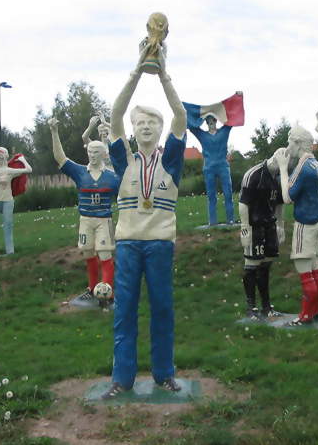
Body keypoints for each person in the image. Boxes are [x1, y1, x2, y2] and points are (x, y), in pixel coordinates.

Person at [103, 42, 187, 398]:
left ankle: (163, 374)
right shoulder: (124, 160)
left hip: (159, 243)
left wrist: (164, 74)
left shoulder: (171, 160)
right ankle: (122, 379)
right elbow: (115, 113)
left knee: (162, 310)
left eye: (152, 122)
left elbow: (181, 116)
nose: (145, 127)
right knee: (124, 311)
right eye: (139, 123)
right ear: (132, 130)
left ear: (160, 127)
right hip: (128, 243)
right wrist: (138, 70)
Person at [49, 116, 119, 308]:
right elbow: (60, 158)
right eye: (90, 151)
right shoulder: (80, 172)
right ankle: (92, 289)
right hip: (86, 219)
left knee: (105, 254)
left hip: (104, 220)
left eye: (96, 152)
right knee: (88, 252)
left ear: (103, 153)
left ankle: (108, 294)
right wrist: (54, 133)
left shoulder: (113, 177)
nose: (92, 155)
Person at [276, 125, 318, 325]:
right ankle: (315, 311)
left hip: (305, 224)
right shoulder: (317, 165)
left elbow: (287, 197)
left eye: (290, 141)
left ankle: (305, 316)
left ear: (298, 143)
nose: (288, 146)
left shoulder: (303, 167)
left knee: (305, 271)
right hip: (317, 221)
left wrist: (282, 167)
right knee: (315, 270)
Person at [239, 148, 287, 320]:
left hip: (270, 225)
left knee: (266, 265)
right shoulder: (254, 175)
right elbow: (243, 203)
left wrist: (280, 224)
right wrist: (245, 228)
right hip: (254, 225)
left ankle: (266, 306)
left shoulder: (280, 177)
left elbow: (280, 203)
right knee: (251, 264)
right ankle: (250, 307)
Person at [188, 114, 234, 225]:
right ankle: (212, 223)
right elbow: (190, 125)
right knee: (211, 196)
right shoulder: (202, 135)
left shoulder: (223, 132)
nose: (211, 122)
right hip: (209, 169)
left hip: (223, 166)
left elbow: (232, 119)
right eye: (208, 121)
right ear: (206, 123)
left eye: (213, 120)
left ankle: (231, 220)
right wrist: (195, 115)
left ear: (216, 121)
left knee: (228, 194)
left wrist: (237, 97)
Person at [0, 147, 32, 255]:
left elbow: (29, 170)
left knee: (8, 224)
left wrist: (22, 159)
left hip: (7, 200)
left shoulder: (9, 170)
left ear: (5, 157)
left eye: (1, 156)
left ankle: (10, 251)